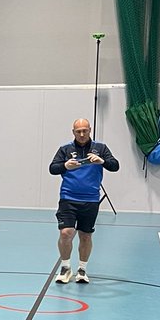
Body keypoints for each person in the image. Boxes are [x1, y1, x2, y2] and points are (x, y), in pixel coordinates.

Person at [50, 118, 119, 284]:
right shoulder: (65, 149)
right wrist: (65, 166)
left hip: (90, 200)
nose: (81, 134)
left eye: (84, 131)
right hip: (68, 198)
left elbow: (115, 165)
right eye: (78, 131)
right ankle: (66, 268)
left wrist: (102, 161)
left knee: (85, 236)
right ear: (73, 132)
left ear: (90, 130)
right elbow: (52, 168)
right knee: (66, 233)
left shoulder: (100, 148)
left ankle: (82, 269)